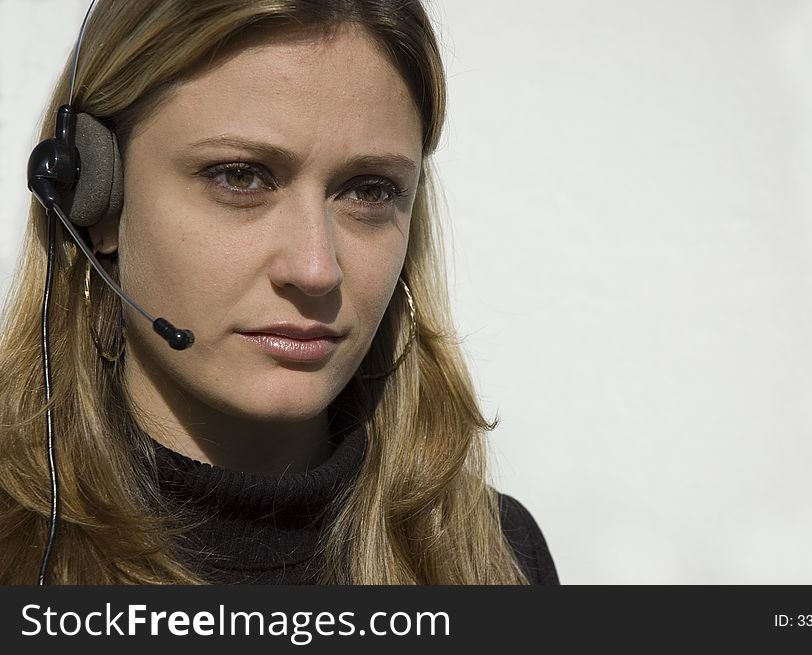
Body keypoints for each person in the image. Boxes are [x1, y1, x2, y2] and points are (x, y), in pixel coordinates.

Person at [0, 0, 559, 585]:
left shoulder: (496, 554)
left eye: (369, 191)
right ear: (93, 198)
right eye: (240, 177)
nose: (316, 269)